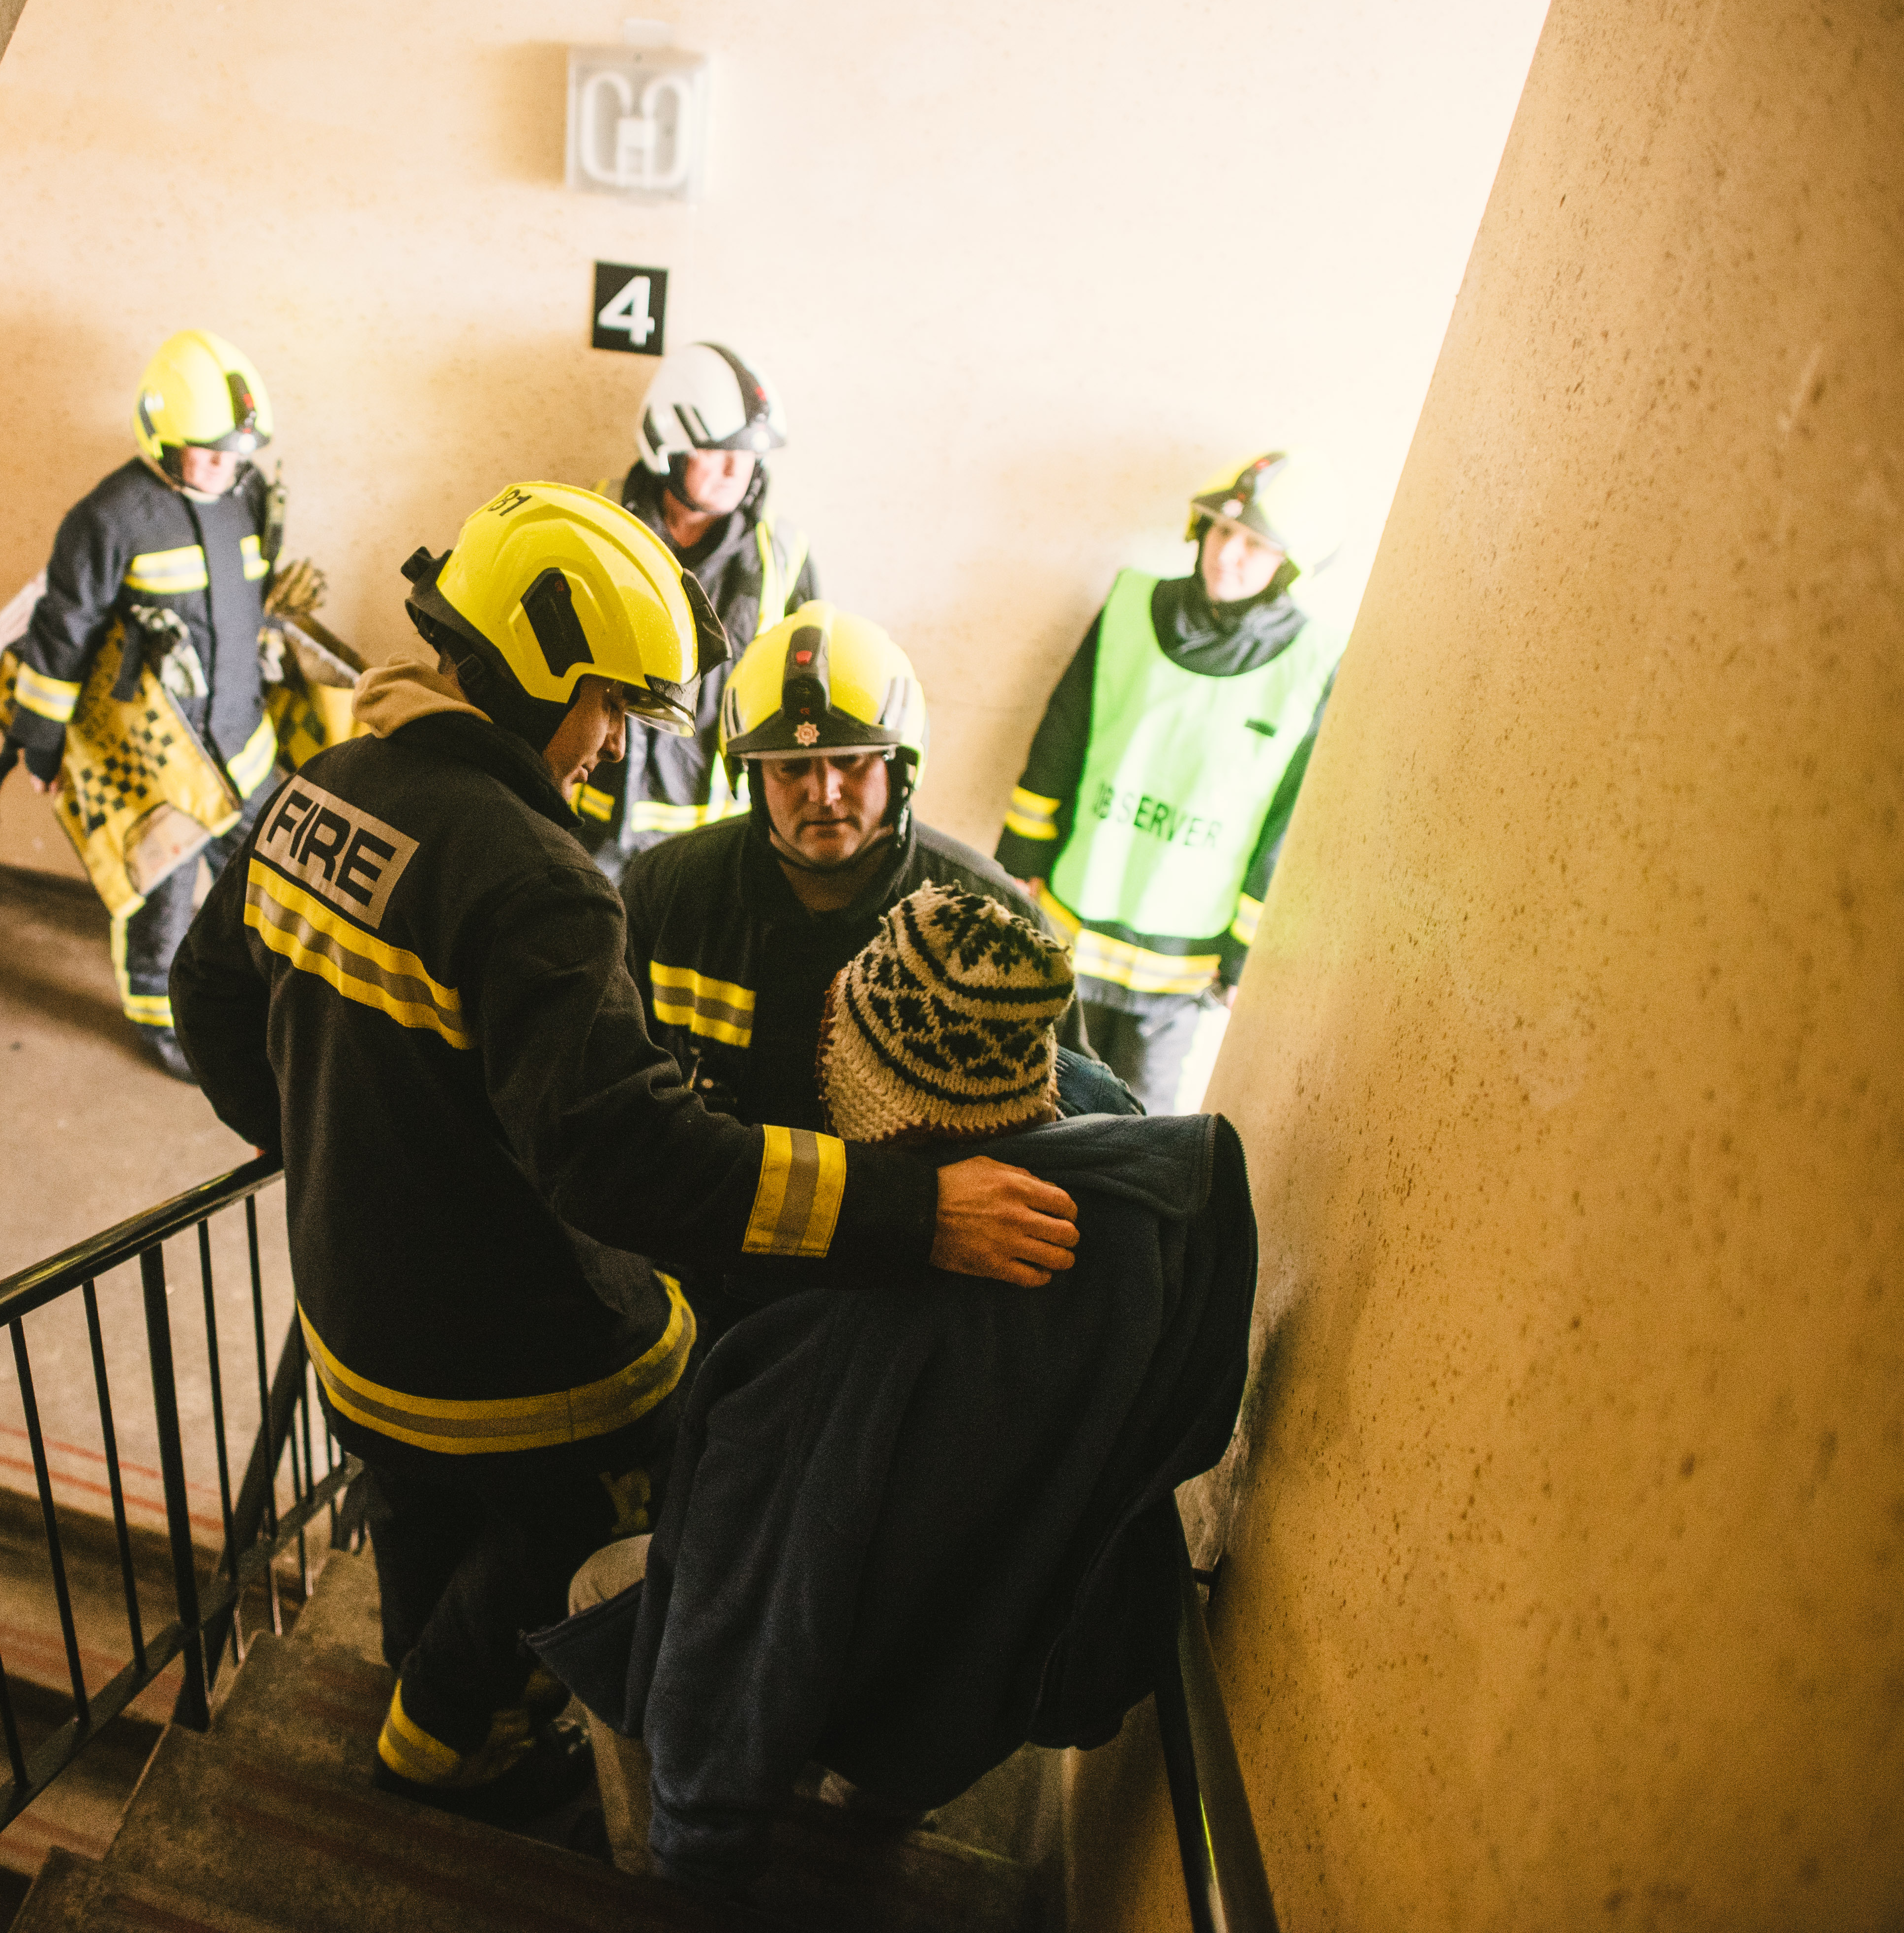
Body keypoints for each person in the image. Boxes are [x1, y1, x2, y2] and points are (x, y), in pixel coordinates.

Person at [169, 483, 1083, 1827]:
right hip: (507, 1359)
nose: (609, 751)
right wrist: (912, 1214)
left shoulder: (320, 790)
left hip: (351, 1324)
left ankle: (414, 1682)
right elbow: (632, 1164)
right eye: (608, 707)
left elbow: (208, 1000)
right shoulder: (537, 878)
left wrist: (345, 1150)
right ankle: (445, 1744)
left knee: (418, 1518)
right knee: (650, 1448)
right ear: (543, 672)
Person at [531, 887, 1258, 1894]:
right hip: (993, 1660)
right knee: (914, 1659)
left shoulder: (834, 1360)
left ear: (877, 1100)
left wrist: (696, 1845)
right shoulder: (1143, 1183)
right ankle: (872, 1810)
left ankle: (645, 1867)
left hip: (855, 1650)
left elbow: (738, 1634)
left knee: (600, 1584)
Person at [622, 605, 1131, 1350]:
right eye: (791, 767)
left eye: (852, 760)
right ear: (750, 777)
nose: (823, 791)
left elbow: (1066, 1143)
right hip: (700, 1290)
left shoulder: (983, 917)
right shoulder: (668, 895)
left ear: (901, 767)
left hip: (900, 1308)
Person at [995, 451, 1350, 1109]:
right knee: (1032, 1109)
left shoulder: (1316, 663)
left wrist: (1246, 957)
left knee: (1141, 1137)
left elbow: (1288, 821)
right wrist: (1018, 859)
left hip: (1182, 966)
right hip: (1073, 921)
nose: (1228, 556)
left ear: (1289, 567)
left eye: (1254, 545)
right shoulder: (1133, 604)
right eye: (1222, 532)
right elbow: (1062, 734)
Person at [0, 329, 285, 1081]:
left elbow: (245, 605)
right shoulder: (109, 518)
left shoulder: (245, 494)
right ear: (160, 433)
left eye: (238, 453)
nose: (225, 467)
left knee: (270, 885)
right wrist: (39, 746)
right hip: (160, 770)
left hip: (245, 750)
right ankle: (163, 1029)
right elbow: (60, 641)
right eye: (209, 451)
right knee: (159, 902)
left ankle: (268, 1011)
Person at [572, 342, 817, 876]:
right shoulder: (591, 522)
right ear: (667, 443)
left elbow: (809, 705)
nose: (737, 468)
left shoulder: (783, 557)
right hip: (585, 828)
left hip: (717, 850)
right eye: (716, 448)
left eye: (751, 451)